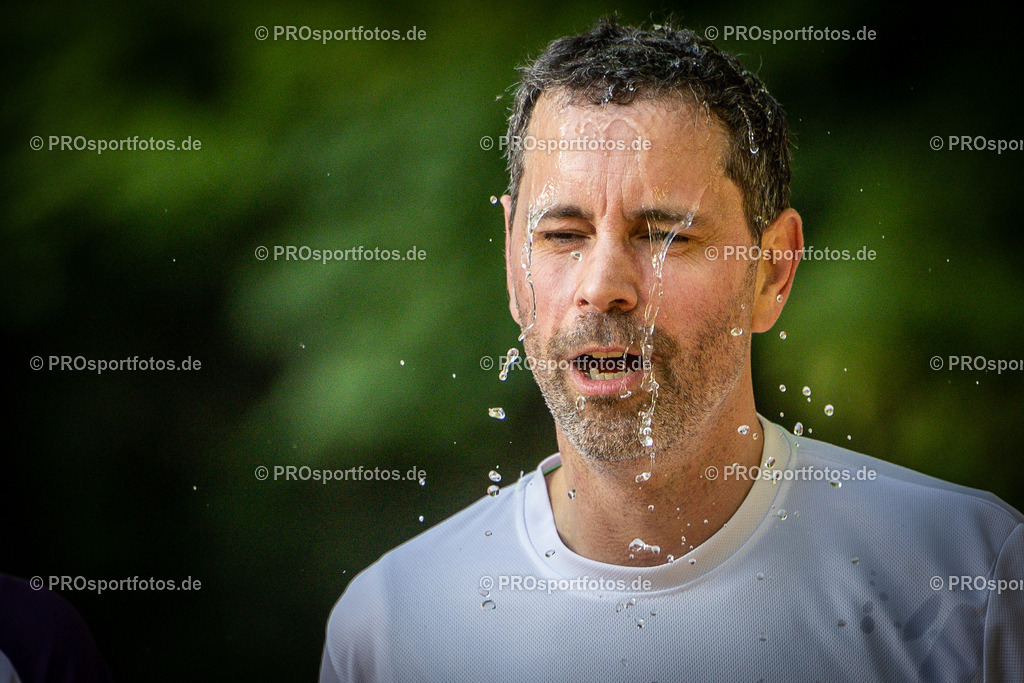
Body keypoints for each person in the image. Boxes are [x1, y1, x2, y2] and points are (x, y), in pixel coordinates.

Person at [319, 17, 1023, 681]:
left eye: (665, 235)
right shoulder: (390, 628)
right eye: (563, 234)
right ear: (512, 263)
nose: (603, 288)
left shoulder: (974, 578)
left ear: (772, 270)